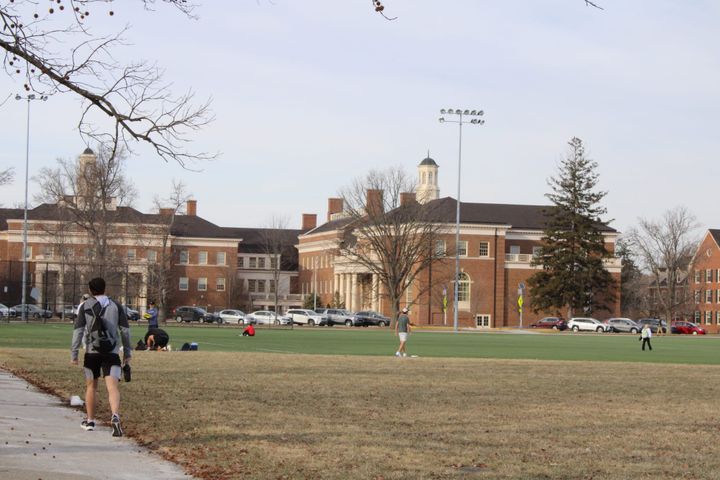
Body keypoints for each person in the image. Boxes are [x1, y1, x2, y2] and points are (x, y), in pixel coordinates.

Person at [70, 277, 132, 437]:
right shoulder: (117, 306)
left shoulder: (85, 306)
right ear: (105, 288)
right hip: (111, 352)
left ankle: (90, 421)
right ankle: (115, 416)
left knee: (91, 387)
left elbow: (78, 331)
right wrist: (127, 353)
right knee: (113, 388)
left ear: (90, 290)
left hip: (92, 353)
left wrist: (74, 354)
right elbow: (125, 331)